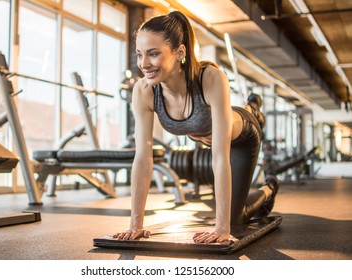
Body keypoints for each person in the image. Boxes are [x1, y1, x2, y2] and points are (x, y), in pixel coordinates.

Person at [113, 10, 279, 244]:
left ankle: (270, 186)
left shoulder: (210, 78)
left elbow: (220, 156)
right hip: (206, 137)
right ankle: (251, 107)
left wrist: (222, 228)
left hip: (241, 137)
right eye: (140, 54)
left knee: (235, 219)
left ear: (180, 52)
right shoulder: (144, 91)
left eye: (153, 54)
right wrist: (135, 225)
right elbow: (142, 158)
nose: (143, 64)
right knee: (228, 210)